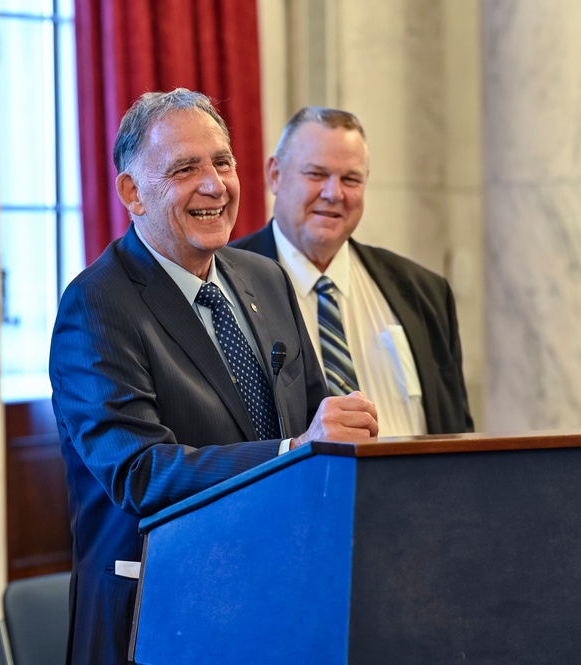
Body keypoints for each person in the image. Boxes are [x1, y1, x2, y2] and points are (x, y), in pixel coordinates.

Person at [49, 89, 378, 664]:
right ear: (133, 193)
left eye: (222, 162)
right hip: (158, 619)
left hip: (278, 603)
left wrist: (344, 431)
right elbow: (139, 472)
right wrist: (292, 450)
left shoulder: (264, 278)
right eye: (184, 169)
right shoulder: (97, 305)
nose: (214, 185)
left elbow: (314, 415)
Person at [230, 107, 474, 436]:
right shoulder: (222, 284)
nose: (334, 194)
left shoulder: (425, 293)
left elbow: (456, 429)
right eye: (316, 174)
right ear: (275, 174)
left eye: (350, 179)